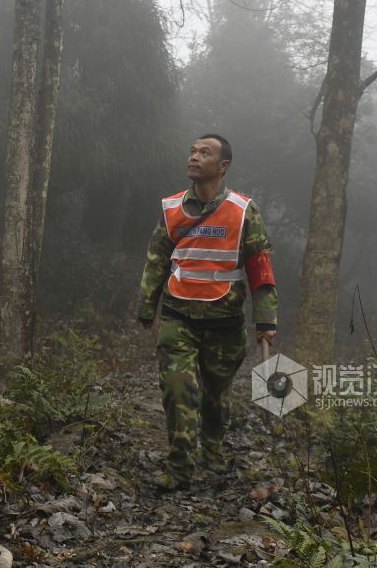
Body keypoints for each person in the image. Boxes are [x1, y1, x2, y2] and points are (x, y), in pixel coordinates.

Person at [137, 133, 277, 491]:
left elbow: (259, 267)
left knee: (216, 395)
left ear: (223, 165)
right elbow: (156, 260)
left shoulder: (244, 210)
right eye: (193, 151)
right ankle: (179, 468)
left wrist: (266, 321)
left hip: (225, 324)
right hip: (178, 317)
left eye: (205, 153)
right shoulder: (171, 208)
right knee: (179, 389)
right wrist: (147, 307)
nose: (194, 157)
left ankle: (212, 450)